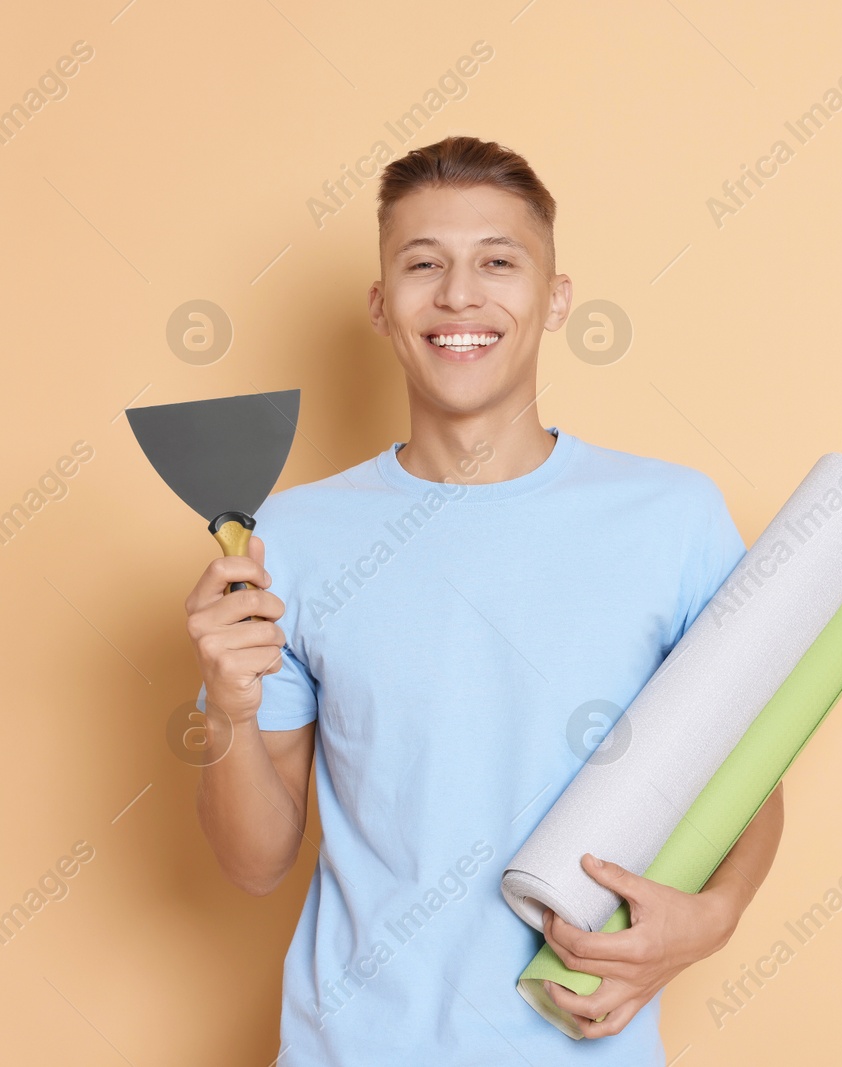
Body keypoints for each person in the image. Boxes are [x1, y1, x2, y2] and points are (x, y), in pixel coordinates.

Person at [186, 135, 783, 1064]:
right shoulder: (291, 540)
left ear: (555, 299)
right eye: (424, 264)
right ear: (382, 308)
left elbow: (751, 766)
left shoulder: (672, 517)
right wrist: (226, 706)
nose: (460, 295)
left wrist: (714, 917)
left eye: (497, 262)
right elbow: (254, 863)